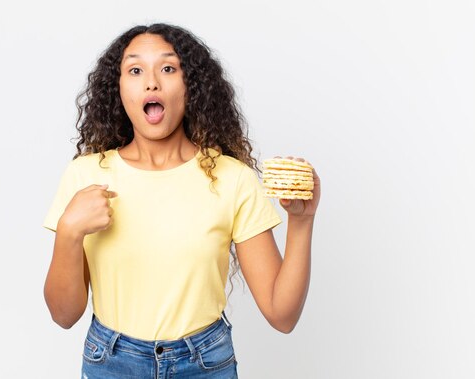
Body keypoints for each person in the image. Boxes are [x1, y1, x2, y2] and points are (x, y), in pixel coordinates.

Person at [42, 22, 321, 379]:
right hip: (112, 364)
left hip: (205, 364)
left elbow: (282, 316)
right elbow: (63, 316)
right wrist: (69, 231)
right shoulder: (85, 175)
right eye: (136, 69)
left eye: (169, 68)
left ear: (191, 86)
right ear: (119, 88)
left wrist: (302, 221)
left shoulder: (233, 179)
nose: (152, 82)